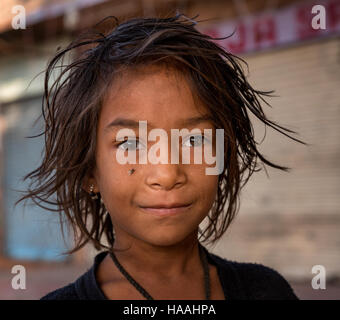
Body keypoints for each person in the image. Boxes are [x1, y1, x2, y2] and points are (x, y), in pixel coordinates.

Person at [17, 14, 303, 300]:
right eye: (130, 144)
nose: (167, 174)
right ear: (90, 172)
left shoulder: (266, 292)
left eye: (194, 139)